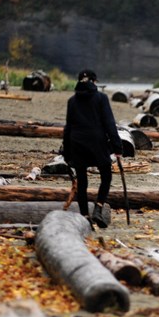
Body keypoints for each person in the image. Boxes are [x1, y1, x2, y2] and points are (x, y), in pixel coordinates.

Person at [63, 69, 123, 228]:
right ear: (94, 81)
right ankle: (99, 207)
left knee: (82, 182)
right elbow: (109, 123)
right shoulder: (101, 98)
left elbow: (68, 128)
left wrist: (66, 151)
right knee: (106, 176)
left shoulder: (72, 101)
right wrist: (117, 147)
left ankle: (85, 216)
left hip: (77, 143)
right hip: (98, 143)